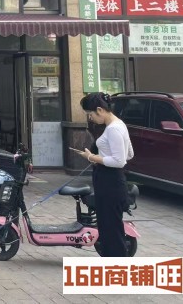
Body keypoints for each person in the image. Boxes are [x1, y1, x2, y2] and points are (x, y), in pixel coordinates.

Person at [75, 92, 134, 257]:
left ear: (100, 110)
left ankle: (116, 266)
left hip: (110, 183)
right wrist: (101, 158)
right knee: (110, 228)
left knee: (111, 232)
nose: (91, 118)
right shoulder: (119, 124)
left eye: (91, 114)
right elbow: (129, 154)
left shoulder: (113, 129)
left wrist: (92, 157)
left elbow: (119, 161)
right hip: (111, 181)